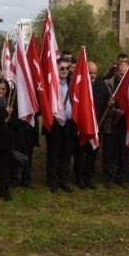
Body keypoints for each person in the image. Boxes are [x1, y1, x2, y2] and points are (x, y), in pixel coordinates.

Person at [44, 59, 74, 193]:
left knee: (66, 153)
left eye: (67, 68)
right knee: (53, 153)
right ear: (56, 69)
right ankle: (53, 181)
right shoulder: (51, 85)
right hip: (55, 123)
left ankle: (64, 180)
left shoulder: (72, 83)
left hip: (68, 123)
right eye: (62, 68)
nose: (65, 71)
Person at [72, 61, 101, 190]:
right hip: (81, 127)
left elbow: (108, 102)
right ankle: (79, 178)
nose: (93, 75)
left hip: (95, 127)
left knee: (92, 154)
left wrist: (111, 104)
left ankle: (88, 177)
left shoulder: (102, 86)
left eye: (95, 73)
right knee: (79, 154)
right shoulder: (80, 85)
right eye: (90, 73)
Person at [100, 61, 129, 187]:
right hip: (110, 124)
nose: (122, 76)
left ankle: (121, 178)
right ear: (116, 71)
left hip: (125, 124)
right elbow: (100, 104)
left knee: (123, 153)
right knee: (109, 153)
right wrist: (109, 106)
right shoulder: (106, 84)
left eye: (125, 74)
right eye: (121, 73)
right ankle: (109, 179)